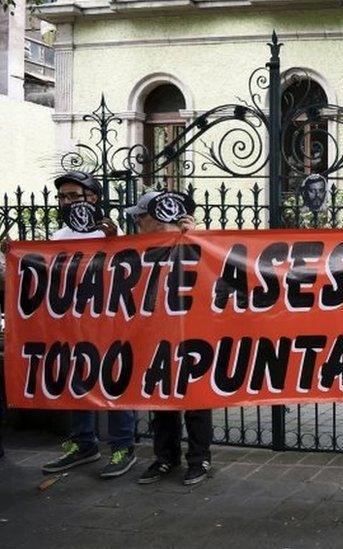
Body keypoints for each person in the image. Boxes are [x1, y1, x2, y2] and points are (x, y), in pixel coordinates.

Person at [27, 171, 139, 478]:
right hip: (73, 327)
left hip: (111, 325)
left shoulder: (112, 233)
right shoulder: (59, 238)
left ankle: (122, 446)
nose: (67, 202)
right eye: (62, 197)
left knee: (114, 384)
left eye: (74, 196)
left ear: (93, 198)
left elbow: (134, 272)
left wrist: (115, 240)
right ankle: (84, 443)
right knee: (78, 384)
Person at [125, 191, 213, 486]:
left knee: (196, 398)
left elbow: (218, 275)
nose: (136, 221)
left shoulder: (195, 241)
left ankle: (199, 458)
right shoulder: (137, 247)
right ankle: (166, 457)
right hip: (155, 330)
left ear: (154, 216)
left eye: (140, 216)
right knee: (161, 397)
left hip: (193, 330)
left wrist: (195, 237)